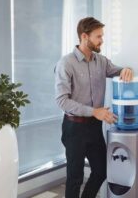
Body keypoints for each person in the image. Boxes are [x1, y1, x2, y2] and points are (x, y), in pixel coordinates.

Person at [54, 17, 133, 198]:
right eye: (98, 36)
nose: (102, 40)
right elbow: (62, 101)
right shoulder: (66, 64)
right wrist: (94, 111)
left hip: (94, 127)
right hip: (74, 127)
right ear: (84, 36)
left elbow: (118, 70)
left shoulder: (101, 61)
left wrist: (125, 70)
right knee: (75, 176)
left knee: (101, 170)